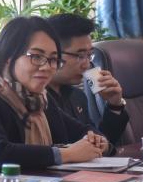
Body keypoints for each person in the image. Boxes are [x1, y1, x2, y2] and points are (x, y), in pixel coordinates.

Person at [0, 16, 110, 172]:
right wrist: (66, 154)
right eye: (36, 56)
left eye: (53, 59)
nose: (47, 67)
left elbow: (80, 130)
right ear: (8, 57)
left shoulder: (38, 99)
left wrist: (97, 140)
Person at [46, 13, 129, 145]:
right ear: (53, 54)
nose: (86, 65)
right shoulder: (35, 100)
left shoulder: (77, 97)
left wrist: (114, 105)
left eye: (89, 55)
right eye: (80, 56)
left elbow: (101, 143)